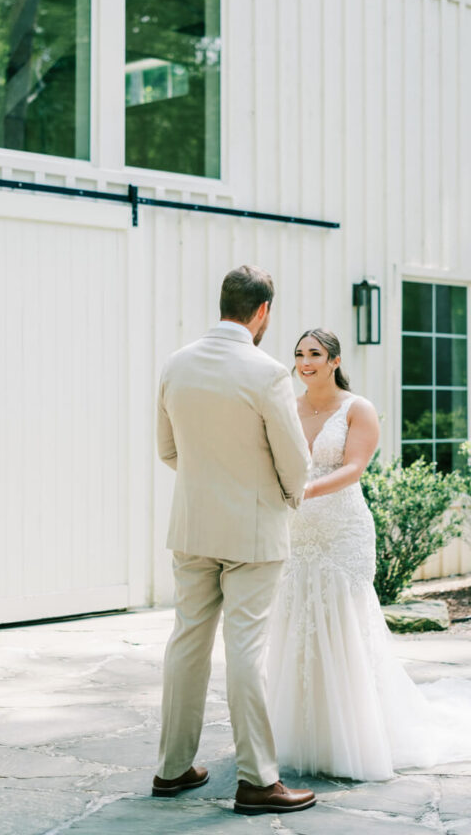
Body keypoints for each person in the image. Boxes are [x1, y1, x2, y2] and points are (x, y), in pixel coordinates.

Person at [267, 328, 471, 781]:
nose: (305, 362)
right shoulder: (287, 406)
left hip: (341, 528)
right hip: (298, 531)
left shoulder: (357, 409)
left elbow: (354, 468)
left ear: (334, 360)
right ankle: (302, 734)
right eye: (299, 354)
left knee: (343, 621)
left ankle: (357, 734)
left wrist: (302, 491)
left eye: (315, 354)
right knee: (299, 617)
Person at [152, 266, 317, 815]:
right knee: (245, 649)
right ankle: (257, 780)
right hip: (252, 531)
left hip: (193, 525)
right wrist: (287, 501)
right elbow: (294, 460)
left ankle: (173, 769)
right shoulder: (268, 372)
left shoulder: (176, 363)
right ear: (262, 311)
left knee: (186, 642)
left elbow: (168, 451)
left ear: (223, 302)